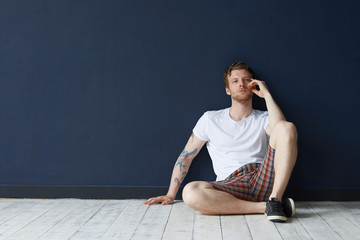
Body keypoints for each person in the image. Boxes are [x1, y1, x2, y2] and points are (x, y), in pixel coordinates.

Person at [144, 61, 298, 222]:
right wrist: (170, 194)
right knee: (190, 191)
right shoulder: (210, 119)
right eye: (235, 81)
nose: (241, 84)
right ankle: (268, 207)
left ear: (253, 85)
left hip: (262, 177)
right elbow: (186, 156)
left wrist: (266, 95)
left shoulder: (264, 117)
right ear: (227, 90)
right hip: (229, 185)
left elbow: (282, 133)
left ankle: (275, 198)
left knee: (287, 127)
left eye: (246, 80)